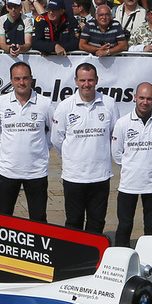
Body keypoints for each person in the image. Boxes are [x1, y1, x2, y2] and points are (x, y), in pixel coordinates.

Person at [51, 62, 118, 234]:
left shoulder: (109, 104)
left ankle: (95, 257)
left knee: (97, 221)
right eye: (82, 80)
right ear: (75, 81)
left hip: (100, 175)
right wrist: (72, 157)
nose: (86, 84)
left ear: (96, 80)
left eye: (90, 80)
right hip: (74, 176)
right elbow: (57, 140)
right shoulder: (65, 106)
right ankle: (76, 258)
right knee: (74, 220)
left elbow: (114, 136)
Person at [111, 82, 152, 247]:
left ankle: (150, 261)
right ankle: (122, 261)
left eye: (149, 98)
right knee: (125, 226)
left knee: (151, 227)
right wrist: (131, 166)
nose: (145, 102)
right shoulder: (123, 123)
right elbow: (117, 154)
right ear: (135, 97)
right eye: (141, 98)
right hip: (128, 185)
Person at [0, 60, 51, 222]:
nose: (21, 82)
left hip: (36, 170)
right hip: (7, 169)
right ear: (11, 80)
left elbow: (53, 133)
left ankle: (38, 247)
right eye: (17, 79)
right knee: (3, 217)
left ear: (31, 79)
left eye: (25, 78)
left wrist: (41, 148)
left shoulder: (44, 103)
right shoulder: (0, 103)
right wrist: (6, 144)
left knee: (38, 218)